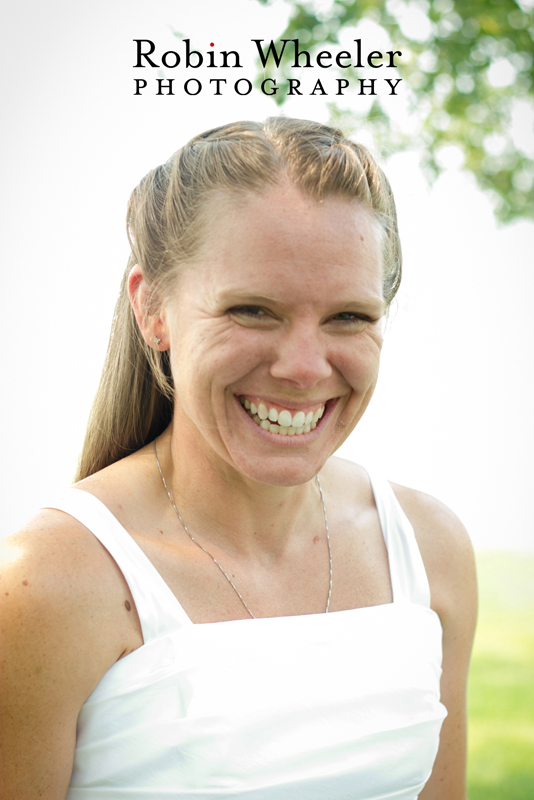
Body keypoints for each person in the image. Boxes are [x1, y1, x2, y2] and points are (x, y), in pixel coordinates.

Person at [0, 117, 477, 799]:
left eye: (349, 317)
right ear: (153, 310)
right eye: (253, 310)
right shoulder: (48, 584)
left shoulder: (430, 550)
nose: (304, 367)